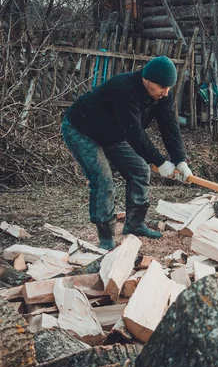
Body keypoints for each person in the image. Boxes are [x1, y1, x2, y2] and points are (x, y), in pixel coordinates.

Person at [62, 56, 192, 250]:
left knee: (140, 170)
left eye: (169, 88)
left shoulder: (163, 94)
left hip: (112, 133)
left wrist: (180, 159)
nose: (165, 92)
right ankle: (106, 238)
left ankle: (135, 224)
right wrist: (160, 161)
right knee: (103, 179)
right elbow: (134, 133)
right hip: (82, 129)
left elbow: (169, 126)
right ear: (146, 79)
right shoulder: (124, 88)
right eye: (162, 87)